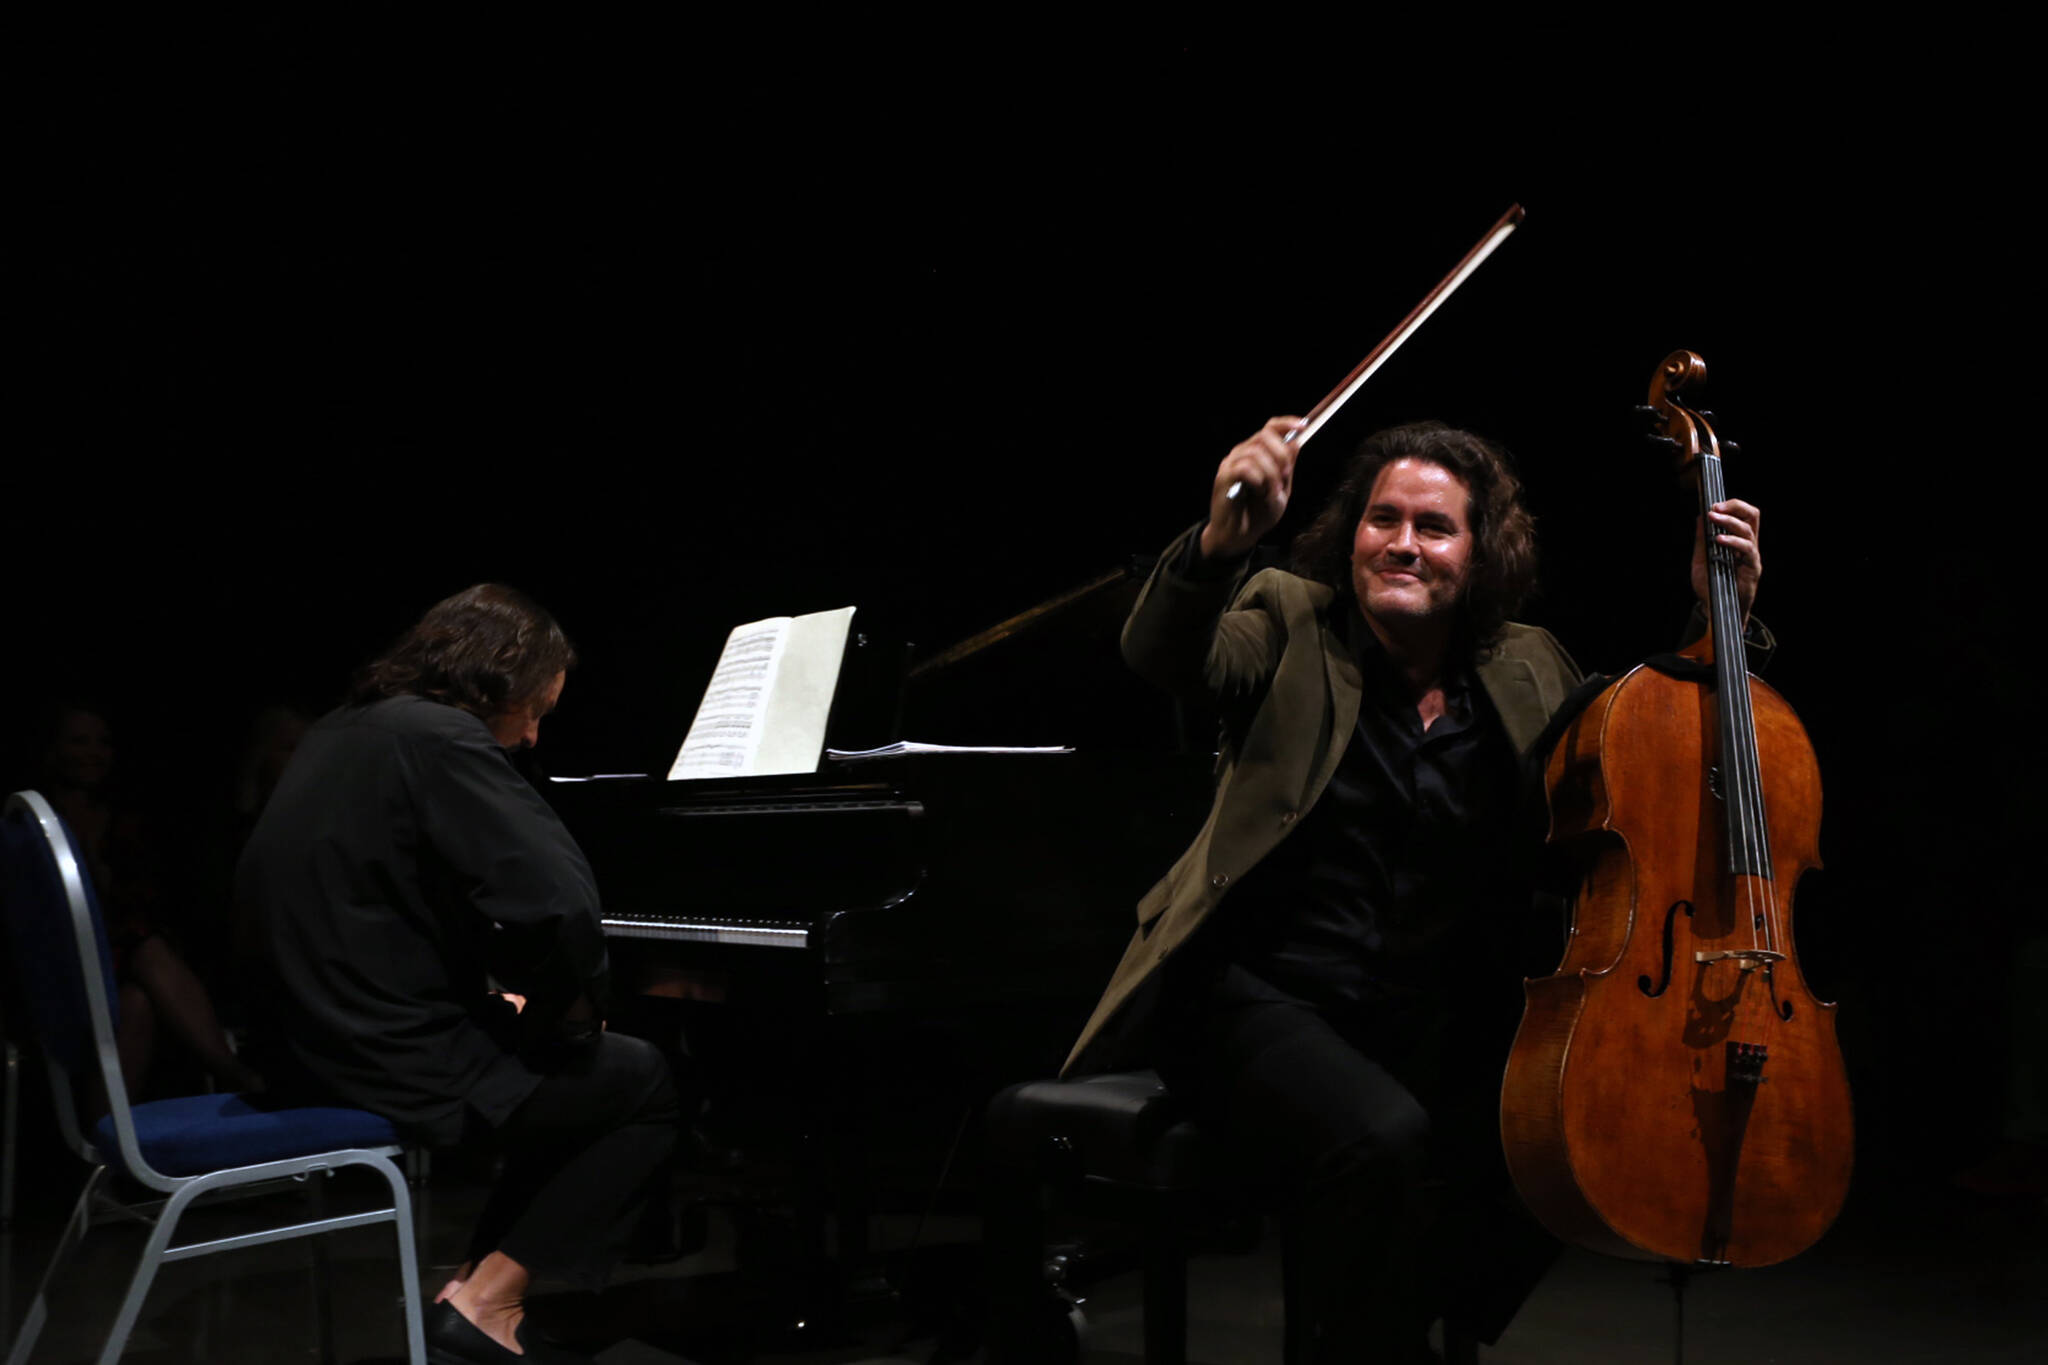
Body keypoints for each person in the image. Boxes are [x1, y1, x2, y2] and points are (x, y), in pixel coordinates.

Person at [1062, 418, 1763, 1362]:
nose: (1401, 542)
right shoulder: (1286, 616)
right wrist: (1221, 544)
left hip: (1428, 1011)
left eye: (1434, 527)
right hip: (1256, 997)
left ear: (1481, 555)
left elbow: (1647, 747)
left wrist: (1720, 620)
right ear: (1350, 532)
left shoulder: (1526, 662)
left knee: (1575, 1132)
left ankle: (1383, 1333)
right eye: (1382, 518)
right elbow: (1169, 657)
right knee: (1383, 1138)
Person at [237, 584, 680, 1365]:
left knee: (556, 1070)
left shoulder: (344, 727)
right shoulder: (441, 737)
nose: (532, 735)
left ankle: (471, 1290)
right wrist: (567, 1011)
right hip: (382, 1057)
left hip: (302, 1046)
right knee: (639, 1080)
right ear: (496, 681)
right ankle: (487, 1303)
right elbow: (560, 904)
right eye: (535, 710)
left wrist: (504, 998)